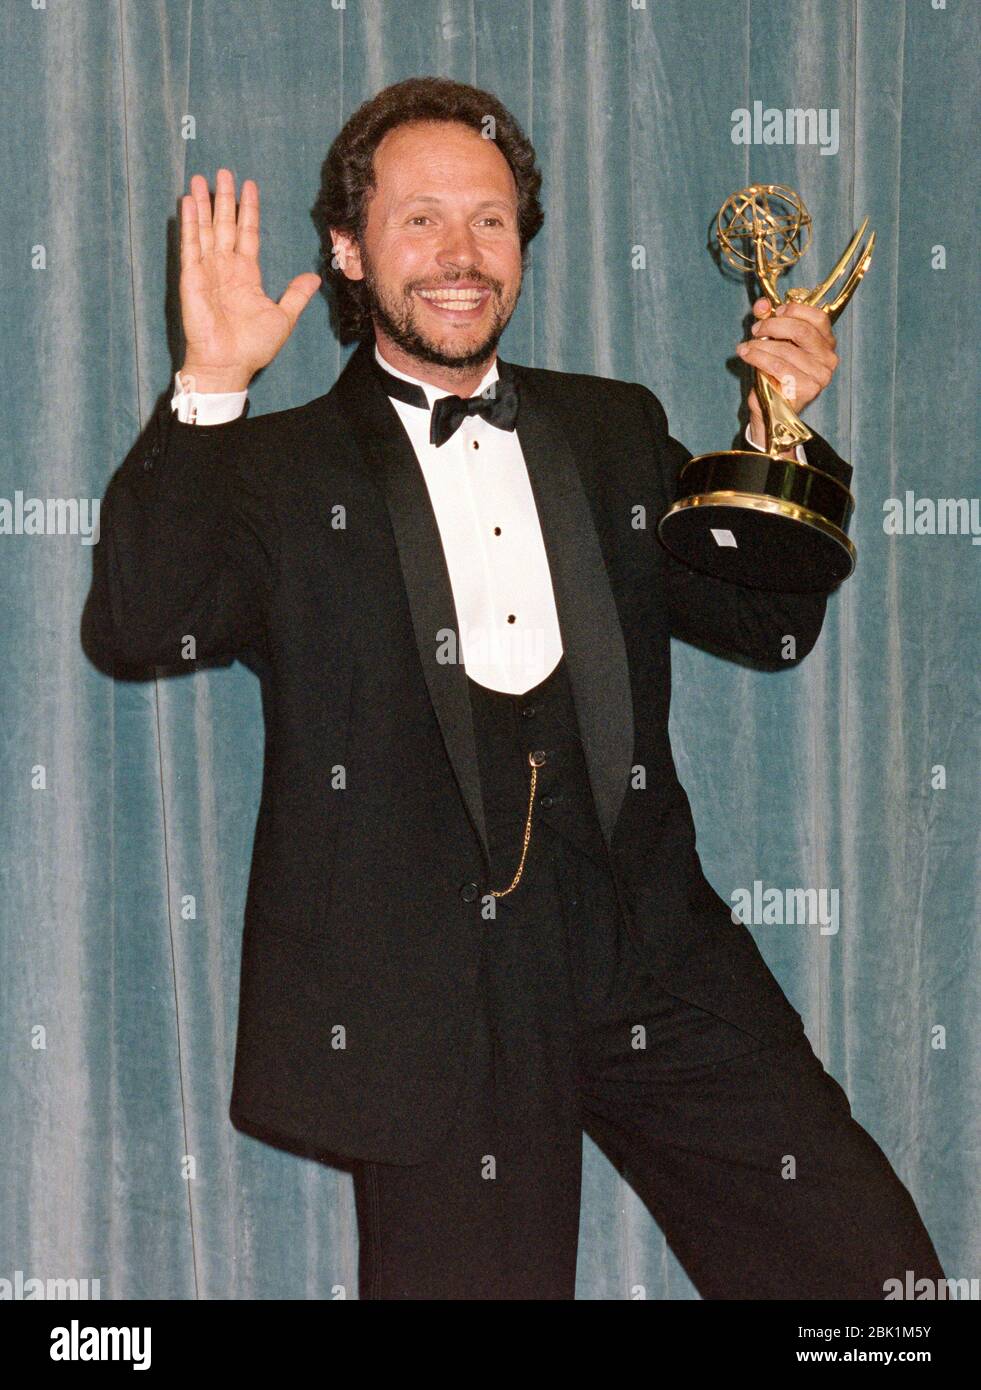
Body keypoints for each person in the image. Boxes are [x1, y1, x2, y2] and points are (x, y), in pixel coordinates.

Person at [84, 76, 944, 1300]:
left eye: (490, 221)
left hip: (652, 953)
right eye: (420, 219)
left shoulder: (612, 429)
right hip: (433, 992)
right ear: (347, 248)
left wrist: (782, 436)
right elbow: (139, 625)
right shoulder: (277, 470)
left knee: (872, 1284)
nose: (461, 256)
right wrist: (210, 386)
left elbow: (766, 621)